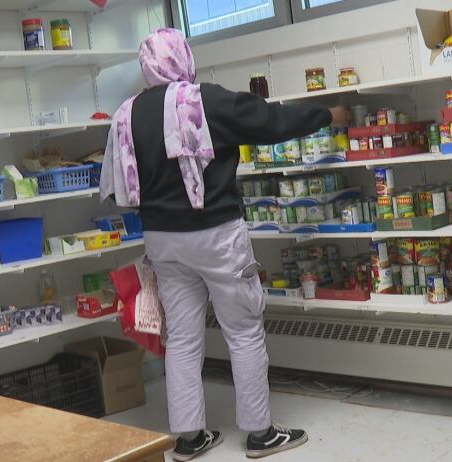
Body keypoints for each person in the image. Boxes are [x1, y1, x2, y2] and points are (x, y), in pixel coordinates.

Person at [100, 28, 349, 460]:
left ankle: (190, 438)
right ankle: (260, 433)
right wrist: (328, 114)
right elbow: (270, 122)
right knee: (243, 330)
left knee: (181, 338)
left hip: (162, 240)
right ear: (182, 57)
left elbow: (118, 181)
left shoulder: (127, 114)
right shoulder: (203, 101)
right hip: (215, 233)